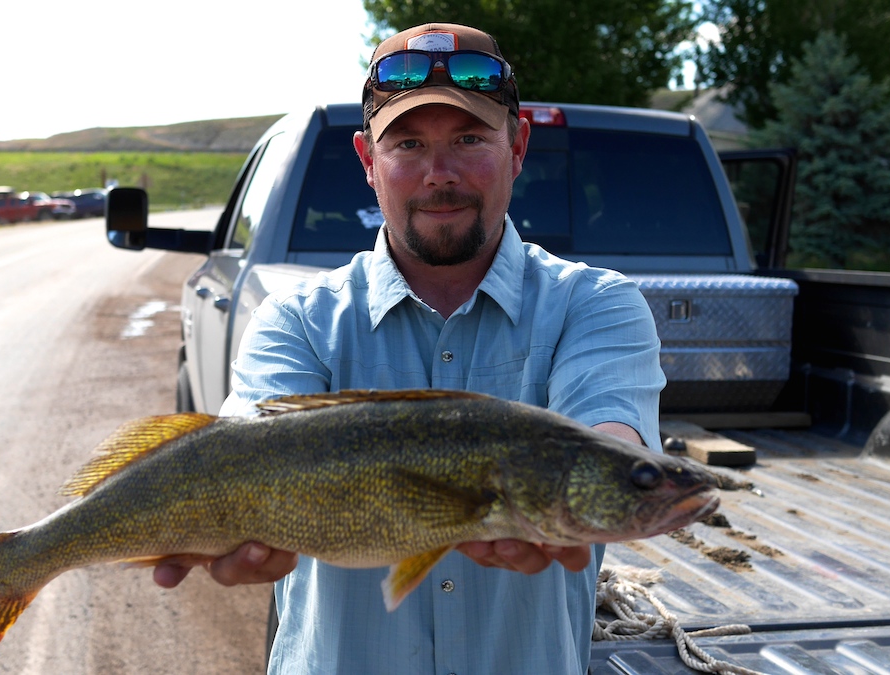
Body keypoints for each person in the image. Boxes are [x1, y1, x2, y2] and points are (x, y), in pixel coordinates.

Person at [153, 22, 666, 674]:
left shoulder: (593, 304)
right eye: (409, 143)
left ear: (518, 146)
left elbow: (610, 431)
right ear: (369, 161)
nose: (439, 173)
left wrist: (622, 474)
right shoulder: (299, 321)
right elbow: (248, 441)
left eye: (470, 139)